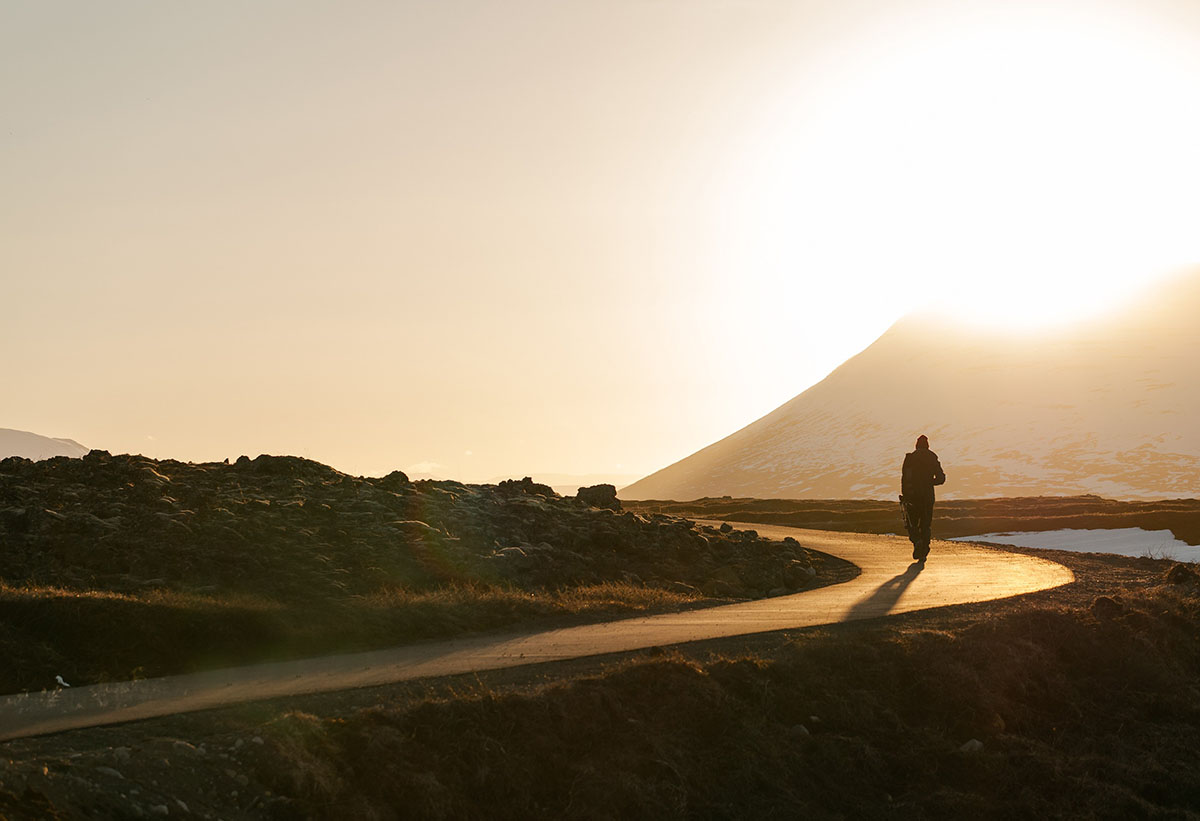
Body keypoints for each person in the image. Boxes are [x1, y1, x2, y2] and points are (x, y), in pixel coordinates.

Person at [901, 434, 946, 561]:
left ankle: (917, 541)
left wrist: (905, 495)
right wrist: (930, 482)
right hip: (927, 496)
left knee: (912, 523)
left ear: (916, 445)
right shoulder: (932, 457)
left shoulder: (910, 458)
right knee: (926, 524)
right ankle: (924, 549)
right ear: (927, 445)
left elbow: (904, 479)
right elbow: (941, 478)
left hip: (912, 496)